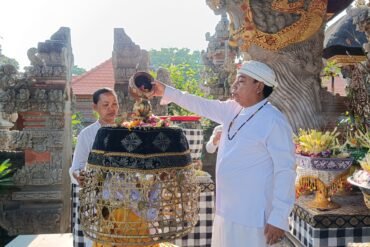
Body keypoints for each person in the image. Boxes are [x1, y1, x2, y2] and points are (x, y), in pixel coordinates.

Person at [151, 60, 296, 247]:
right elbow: (200, 104)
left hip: (254, 217)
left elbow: (286, 171)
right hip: (225, 211)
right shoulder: (232, 110)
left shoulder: (274, 120)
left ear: (259, 86)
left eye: (241, 81)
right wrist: (167, 91)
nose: (234, 85)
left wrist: (279, 217)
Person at [70, 87, 119, 247]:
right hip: (97, 197)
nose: (111, 109)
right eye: (105, 105)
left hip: (123, 197)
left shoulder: (126, 132)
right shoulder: (87, 134)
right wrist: (79, 175)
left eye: (114, 104)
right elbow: (76, 167)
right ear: (95, 107)